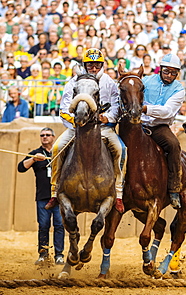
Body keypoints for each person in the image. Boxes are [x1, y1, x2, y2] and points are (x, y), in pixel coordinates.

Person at [48, 48, 126, 213]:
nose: (94, 68)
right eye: (90, 64)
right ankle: (55, 191)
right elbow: (64, 109)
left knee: (121, 149)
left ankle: (118, 193)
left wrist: (107, 118)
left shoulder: (109, 82)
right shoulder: (73, 81)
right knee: (56, 148)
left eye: (97, 64)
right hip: (77, 128)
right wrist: (76, 123)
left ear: (102, 65)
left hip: (103, 128)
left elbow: (116, 106)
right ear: (84, 65)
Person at [142, 53, 184, 209]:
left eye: (174, 73)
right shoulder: (145, 81)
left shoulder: (179, 89)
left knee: (174, 145)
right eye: (167, 71)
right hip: (139, 124)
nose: (169, 75)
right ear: (160, 69)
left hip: (159, 127)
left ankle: (174, 189)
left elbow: (167, 112)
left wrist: (146, 108)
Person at [17, 128, 65, 266]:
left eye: (48, 135)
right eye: (42, 135)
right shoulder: (35, 153)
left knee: (59, 225)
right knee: (43, 225)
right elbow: (21, 168)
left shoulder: (60, 152)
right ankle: (43, 254)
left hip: (59, 197)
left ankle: (59, 255)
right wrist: (33, 159)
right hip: (43, 197)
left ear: (54, 137)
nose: (45, 137)